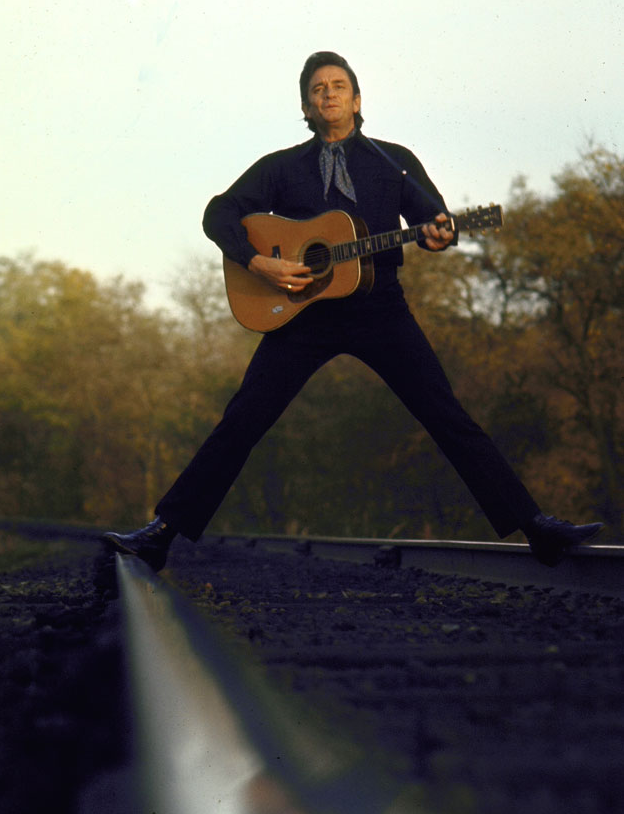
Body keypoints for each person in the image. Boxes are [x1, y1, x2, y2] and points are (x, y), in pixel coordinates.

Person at [103, 51, 602, 571]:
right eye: (318, 89)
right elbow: (218, 213)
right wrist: (258, 263)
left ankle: (535, 528)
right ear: (306, 106)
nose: (329, 94)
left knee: (446, 414)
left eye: (339, 86)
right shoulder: (281, 167)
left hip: (380, 310)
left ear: (357, 99)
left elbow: (434, 223)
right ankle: (161, 534)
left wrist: (441, 233)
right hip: (304, 317)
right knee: (243, 419)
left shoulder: (393, 161)